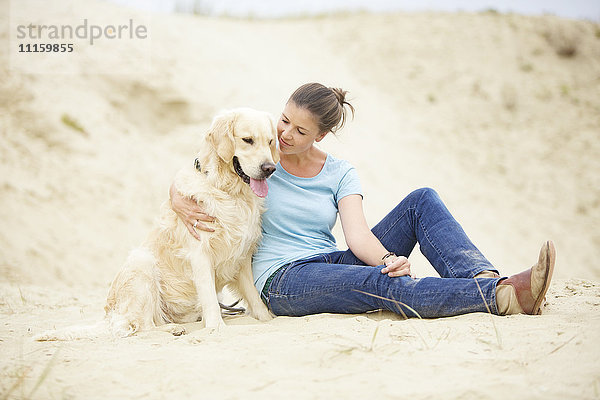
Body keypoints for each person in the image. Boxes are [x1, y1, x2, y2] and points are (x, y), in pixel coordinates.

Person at [169, 82, 555, 319]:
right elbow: (205, 165)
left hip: (330, 261)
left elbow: (357, 236)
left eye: (299, 130)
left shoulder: (339, 172)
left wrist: (388, 259)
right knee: (381, 284)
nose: (283, 135)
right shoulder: (261, 157)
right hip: (284, 280)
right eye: (283, 120)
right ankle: (503, 295)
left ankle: (481, 277)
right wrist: (175, 193)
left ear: (319, 136)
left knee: (421, 201)